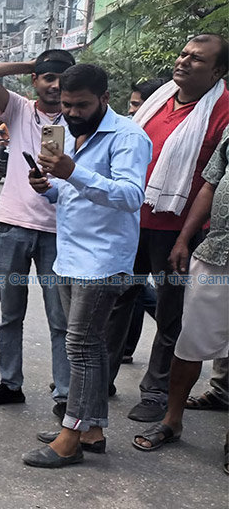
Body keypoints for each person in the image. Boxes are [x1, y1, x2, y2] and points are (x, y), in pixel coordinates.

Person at [22, 64, 150, 468]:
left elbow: (131, 196)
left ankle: (70, 436)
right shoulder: (73, 134)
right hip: (70, 255)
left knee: (80, 347)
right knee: (86, 346)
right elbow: (72, 193)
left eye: (81, 105)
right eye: (66, 105)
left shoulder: (128, 136)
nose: (72, 112)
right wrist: (50, 187)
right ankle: (92, 430)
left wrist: (72, 172)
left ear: (104, 99)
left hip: (104, 260)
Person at [103, 34, 229, 424]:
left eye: (198, 59)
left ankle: (155, 392)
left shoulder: (223, 109)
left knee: (171, 312)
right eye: (184, 54)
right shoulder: (158, 100)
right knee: (115, 300)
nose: (185, 62)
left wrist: (185, 237)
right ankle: (98, 382)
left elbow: (212, 178)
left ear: (218, 71)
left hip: (179, 230)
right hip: (132, 217)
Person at [0, 49, 76, 416]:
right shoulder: (17, 108)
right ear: (35, 81)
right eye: (48, 77)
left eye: (62, 78)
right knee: (10, 313)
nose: (55, 85)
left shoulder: (78, 117)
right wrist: (33, 64)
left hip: (59, 232)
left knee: (60, 319)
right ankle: (9, 383)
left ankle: (64, 394)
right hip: (15, 225)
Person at [131, 128, 228, 465]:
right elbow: (210, 184)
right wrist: (184, 239)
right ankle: (172, 421)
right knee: (189, 344)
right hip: (218, 252)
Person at [119, 79, 165, 365]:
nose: (132, 110)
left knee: (132, 290)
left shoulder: (165, 134)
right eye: (132, 104)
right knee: (131, 290)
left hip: (159, 225)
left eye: (137, 104)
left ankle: (124, 348)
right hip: (129, 223)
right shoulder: (126, 131)